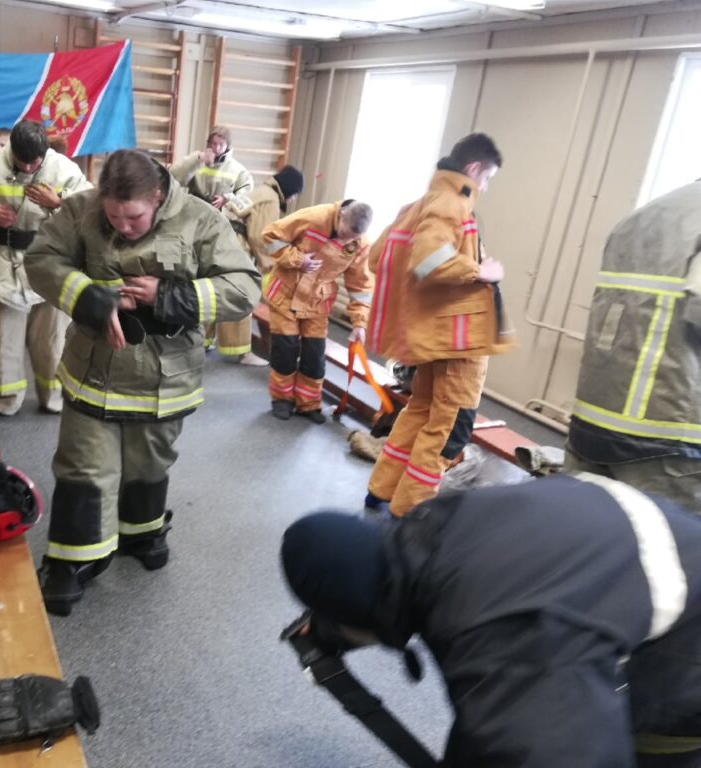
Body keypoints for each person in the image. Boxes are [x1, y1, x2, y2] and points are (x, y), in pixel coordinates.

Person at [281, 473, 701, 767]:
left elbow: (556, 752)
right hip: (667, 560)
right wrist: (327, 633)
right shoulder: (440, 524)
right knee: (489, 727)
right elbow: (364, 579)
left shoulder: (502, 634)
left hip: (684, 663)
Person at [24, 149, 261, 616]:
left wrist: (172, 294)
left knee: (149, 463)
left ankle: (142, 532)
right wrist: (88, 296)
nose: (123, 227)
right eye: (113, 216)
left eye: (133, 217)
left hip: (165, 376)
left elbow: (245, 287)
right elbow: (42, 259)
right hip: (95, 366)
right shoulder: (81, 209)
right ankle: (72, 560)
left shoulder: (200, 219)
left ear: (157, 195)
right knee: (83, 466)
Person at [363, 133, 512, 517]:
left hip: (433, 338)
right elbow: (429, 260)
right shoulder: (453, 204)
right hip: (458, 343)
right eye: (487, 178)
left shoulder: (416, 205)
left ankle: (381, 490)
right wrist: (481, 271)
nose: (485, 187)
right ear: (473, 169)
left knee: (418, 412)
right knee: (444, 429)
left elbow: (377, 257)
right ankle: (410, 511)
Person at [565, 179, 701, 512]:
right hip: (668, 440)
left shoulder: (642, 216)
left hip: (593, 419)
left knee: (581, 528)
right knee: (662, 540)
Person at [0, 120, 92, 417]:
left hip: (53, 262)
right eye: (22, 162)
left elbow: (91, 209)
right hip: (7, 260)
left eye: (35, 163)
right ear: (12, 151)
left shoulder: (64, 169)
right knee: (3, 336)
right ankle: (1, 398)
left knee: (53, 339)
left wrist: (58, 201)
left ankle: (55, 397)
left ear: (45, 152)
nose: (28, 168)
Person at [261, 200, 374, 424]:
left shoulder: (360, 244)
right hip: (285, 294)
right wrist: (297, 259)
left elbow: (360, 286)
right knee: (285, 350)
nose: (346, 241)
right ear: (341, 214)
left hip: (317, 302)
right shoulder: (314, 217)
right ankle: (282, 400)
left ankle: (309, 404)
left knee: (314, 355)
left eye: (351, 238)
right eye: (344, 234)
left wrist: (360, 323)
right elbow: (271, 236)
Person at [170, 125, 255, 353]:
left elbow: (248, 196)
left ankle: (232, 345)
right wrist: (197, 159)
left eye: (220, 144)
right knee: (199, 282)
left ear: (228, 146)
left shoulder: (238, 170)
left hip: (223, 232)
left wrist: (228, 198)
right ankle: (202, 340)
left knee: (224, 284)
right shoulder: (197, 162)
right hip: (194, 228)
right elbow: (174, 177)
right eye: (212, 143)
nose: (216, 148)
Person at [218, 164, 305, 367]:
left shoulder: (260, 190)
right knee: (242, 297)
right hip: (236, 249)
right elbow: (259, 236)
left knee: (218, 294)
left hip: (222, 243)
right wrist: (270, 264)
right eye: (294, 194)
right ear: (288, 188)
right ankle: (242, 353)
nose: (293, 199)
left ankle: (205, 343)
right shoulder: (271, 199)